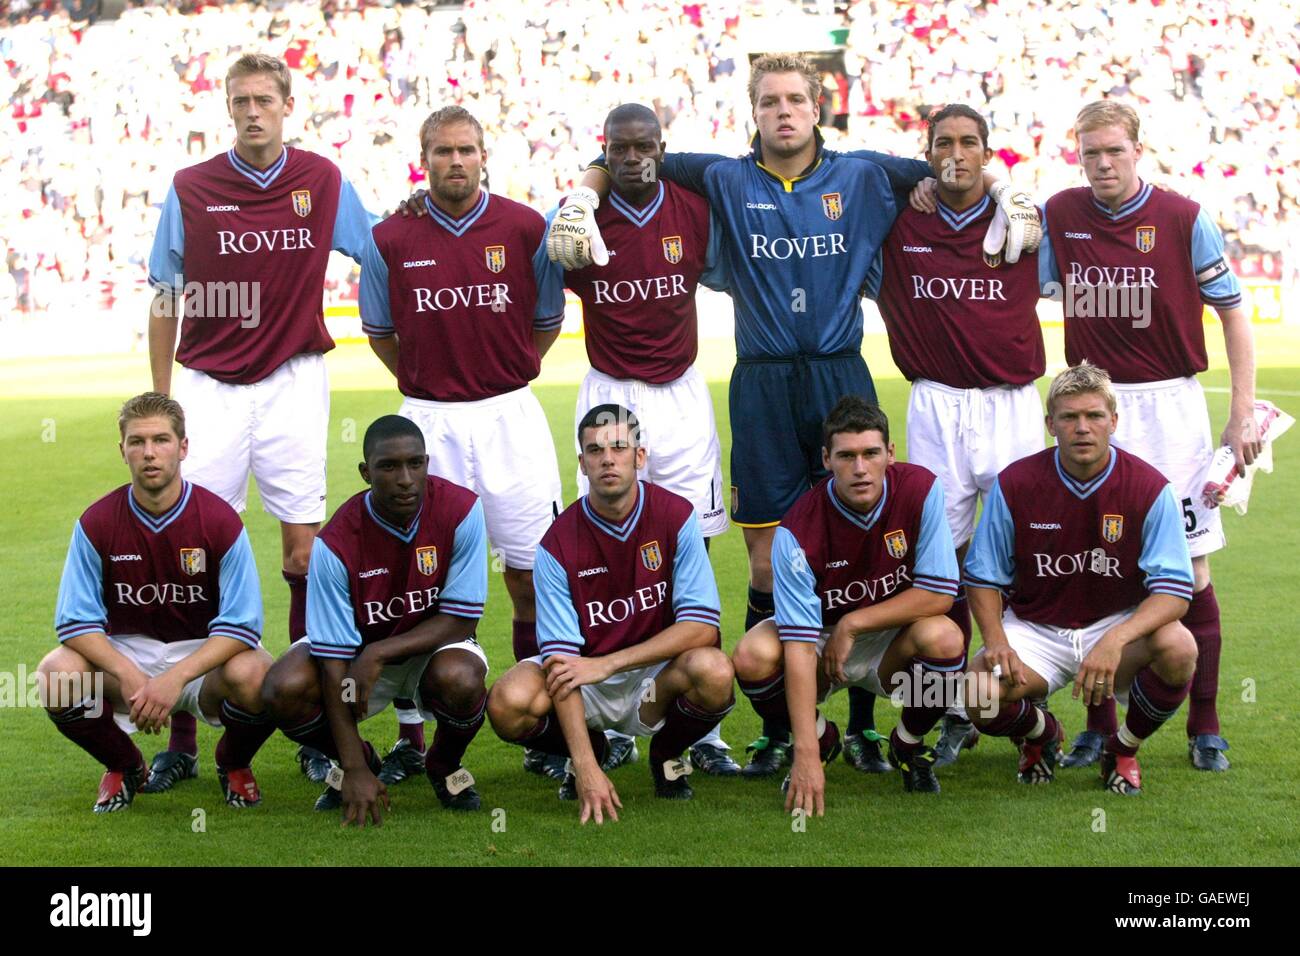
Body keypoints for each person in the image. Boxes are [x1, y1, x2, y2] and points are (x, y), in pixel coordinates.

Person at [548, 55, 1039, 778]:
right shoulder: (721, 175)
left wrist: (1009, 187)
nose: (784, 111)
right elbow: (626, 151)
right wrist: (580, 197)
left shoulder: (867, 175)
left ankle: (868, 726)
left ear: (818, 108)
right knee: (766, 560)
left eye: (796, 100)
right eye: (770, 100)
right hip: (765, 383)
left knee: (877, 550)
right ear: (754, 110)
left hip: (841, 370)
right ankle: (784, 726)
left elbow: (953, 160)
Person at [145, 52, 376, 791]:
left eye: (264, 100)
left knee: (303, 553)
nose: (252, 111)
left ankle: (310, 725)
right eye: (240, 100)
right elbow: (163, 294)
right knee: (192, 555)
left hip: (294, 381)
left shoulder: (323, 181)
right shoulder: (191, 187)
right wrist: (163, 400)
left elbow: (379, 255)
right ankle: (181, 736)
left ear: (286, 105)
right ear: (227, 107)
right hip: (208, 386)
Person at [1038, 101, 1260, 773]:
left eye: (1114, 151)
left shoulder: (1185, 218)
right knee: (1098, 563)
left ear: (1139, 148)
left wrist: (1242, 410)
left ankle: (1206, 721)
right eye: (1089, 154)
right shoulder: (1060, 214)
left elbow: (1233, 313)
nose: (1102, 164)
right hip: (1094, 405)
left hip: (1171, 406)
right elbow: (1024, 271)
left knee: (1190, 568)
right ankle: (1100, 729)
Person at [360, 105, 569, 783]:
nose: (456, 160)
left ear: (486, 155)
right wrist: (431, 390)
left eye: (467, 149)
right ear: (424, 158)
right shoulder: (389, 237)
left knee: (530, 574)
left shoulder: (524, 226)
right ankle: (411, 735)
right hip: (430, 420)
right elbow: (381, 333)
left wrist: (499, 378)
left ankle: (539, 723)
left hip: (510, 415)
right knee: (417, 579)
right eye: (443, 151)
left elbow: (545, 322)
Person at [542, 102, 738, 777]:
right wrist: (580, 192)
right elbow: (544, 280)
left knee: (694, 543)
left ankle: (692, 720)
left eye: (644, 146)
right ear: (603, 150)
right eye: (618, 149)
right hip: (611, 390)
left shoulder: (692, 205)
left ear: (662, 146)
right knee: (602, 543)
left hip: (681, 393)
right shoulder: (580, 218)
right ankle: (608, 708)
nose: (633, 159)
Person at [863, 104, 1046, 767]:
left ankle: (1025, 699)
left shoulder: (1023, 223)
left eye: (970, 144)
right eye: (944, 144)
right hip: (936, 405)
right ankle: (951, 709)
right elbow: (854, 164)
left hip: (1012, 405)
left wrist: (1004, 189)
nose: (957, 154)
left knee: (1020, 553)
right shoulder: (901, 221)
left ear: (988, 152)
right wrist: (921, 175)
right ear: (928, 148)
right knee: (944, 559)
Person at [486, 405, 734, 823]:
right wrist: (586, 768)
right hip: (586, 686)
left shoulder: (676, 517)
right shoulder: (556, 544)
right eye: (595, 450)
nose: (608, 458)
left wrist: (608, 663)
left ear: (640, 456)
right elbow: (562, 663)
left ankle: (666, 753)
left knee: (716, 671)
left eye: (620, 446)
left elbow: (701, 627)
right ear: (582, 463)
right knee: (508, 702)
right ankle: (596, 751)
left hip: (654, 680)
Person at [962, 363, 1198, 795]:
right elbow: (982, 576)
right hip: (1036, 628)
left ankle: (1122, 748)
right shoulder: (1016, 483)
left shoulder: (1149, 488)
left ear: (1114, 420)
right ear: (1050, 424)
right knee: (977, 691)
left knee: (1180, 647)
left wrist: (1115, 639)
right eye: (1069, 417)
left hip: (1115, 625)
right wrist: (995, 640)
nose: (1082, 428)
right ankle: (1042, 735)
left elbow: (1175, 592)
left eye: (1094, 416)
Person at [38, 392, 273, 813]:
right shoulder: (96, 522)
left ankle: (233, 762)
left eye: (161, 440)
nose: (149, 453)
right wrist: (129, 675)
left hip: (202, 661)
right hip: (127, 655)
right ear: (122, 450)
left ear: (183, 447)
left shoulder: (220, 522)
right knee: (56, 673)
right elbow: (75, 623)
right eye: (137, 441)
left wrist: (175, 677)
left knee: (259, 673)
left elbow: (242, 625)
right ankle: (125, 766)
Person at [731, 396, 962, 808]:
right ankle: (822, 739)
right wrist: (805, 751)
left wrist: (853, 623)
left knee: (945, 638)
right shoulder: (797, 530)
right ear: (826, 458)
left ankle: (908, 744)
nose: (860, 468)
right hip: (818, 642)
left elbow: (939, 592)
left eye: (871, 453)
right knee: (751, 655)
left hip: (888, 639)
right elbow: (799, 646)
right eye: (847, 456)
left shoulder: (921, 489)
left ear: (890, 453)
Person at [259, 416, 490, 822]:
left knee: (462, 678)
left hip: (430, 650)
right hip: (355, 660)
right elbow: (333, 664)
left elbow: (462, 618)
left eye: (415, 464)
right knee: (284, 687)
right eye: (388, 467)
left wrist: (380, 652)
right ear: (366, 473)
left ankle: (443, 764)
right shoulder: (334, 543)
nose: (405, 479)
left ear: (426, 463)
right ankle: (364, 760)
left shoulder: (462, 509)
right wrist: (354, 767)